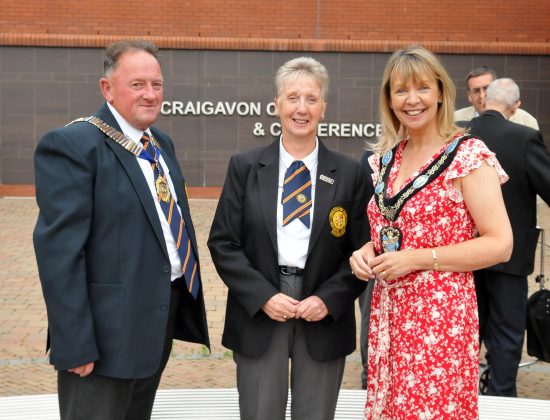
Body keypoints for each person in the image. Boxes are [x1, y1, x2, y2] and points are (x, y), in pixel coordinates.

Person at [33, 40, 209, 420]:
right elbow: (60, 256)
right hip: (101, 341)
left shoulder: (161, 144)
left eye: (157, 84)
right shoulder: (75, 145)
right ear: (107, 88)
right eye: (137, 84)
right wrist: (74, 343)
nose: (150, 94)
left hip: (153, 324)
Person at [349, 46, 513, 419]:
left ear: (440, 92)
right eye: (400, 90)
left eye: (422, 88)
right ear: (389, 100)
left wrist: (418, 259)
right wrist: (366, 251)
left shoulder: (467, 155)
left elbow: (501, 244)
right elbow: (395, 230)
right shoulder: (384, 159)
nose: (412, 100)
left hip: (439, 322)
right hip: (388, 317)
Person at [207, 57, 370, 420]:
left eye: (311, 99)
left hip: (323, 311)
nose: (301, 108)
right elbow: (223, 242)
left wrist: (328, 300)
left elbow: (362, 250)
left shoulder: (348, 173)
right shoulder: (245, 167)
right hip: (262, 309)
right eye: (292, 98)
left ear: (324, 108)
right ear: (276, 104)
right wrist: (264, 296)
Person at [467, 78, 550, 396]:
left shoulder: (458, 136)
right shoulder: (525, 138)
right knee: (506, 333)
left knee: (466, 329)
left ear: (484, 100)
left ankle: (460, 393)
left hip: (461, 255)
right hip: (509, 256)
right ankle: (500, 397)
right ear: (515, 106)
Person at [454, 66, 539, 130]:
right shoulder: (455, 119)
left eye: (487, 88)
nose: (482, 95)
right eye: (476, 91)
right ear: (469, 96)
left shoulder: (526, 121)